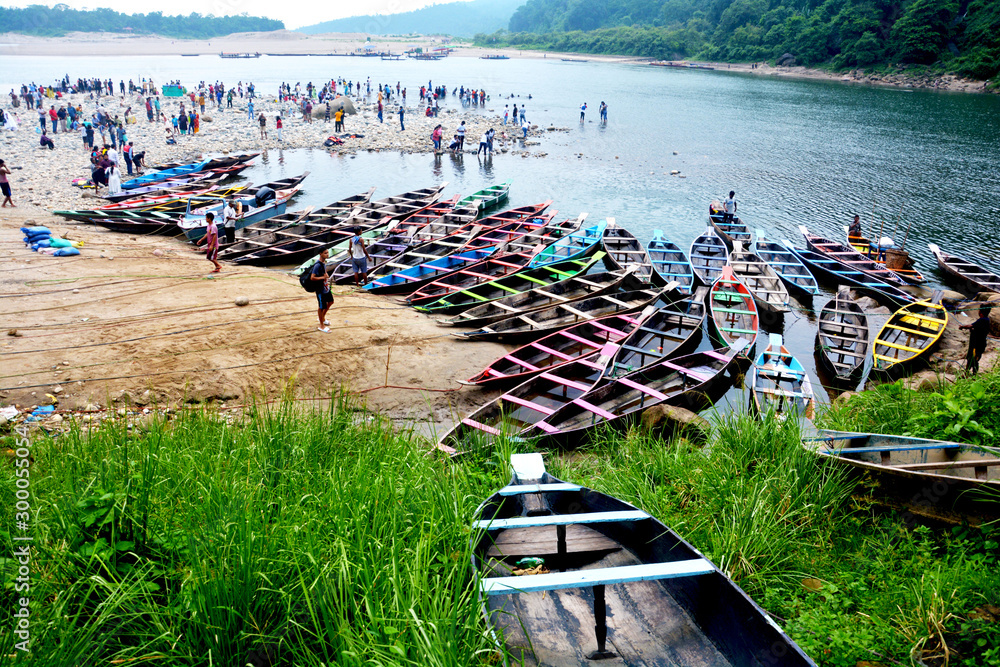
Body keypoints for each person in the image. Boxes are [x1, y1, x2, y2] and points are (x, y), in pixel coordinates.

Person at [959, 306, 992, 375]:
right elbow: (976, 328)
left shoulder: (982, 320)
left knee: (974, 359)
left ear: (980, 312)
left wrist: (962, 326)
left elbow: (971, 326)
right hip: (978, 343)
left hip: (977, 344)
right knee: (970, 358)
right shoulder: (985, 320)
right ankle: (966, 373)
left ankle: (974, 374)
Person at [311, 248, 334, 332]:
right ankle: (321, 325)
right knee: (321, 306)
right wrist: (323, 277)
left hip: (325, 287)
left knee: (331, 302)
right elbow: (312, 277)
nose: (327, 254)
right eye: (325, 253)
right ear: (320, 254)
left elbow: (324, 272)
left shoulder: (323, 263)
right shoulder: (317, 265)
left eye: (327, 253)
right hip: (320, 289)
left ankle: (322, 318)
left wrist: (326, 275)